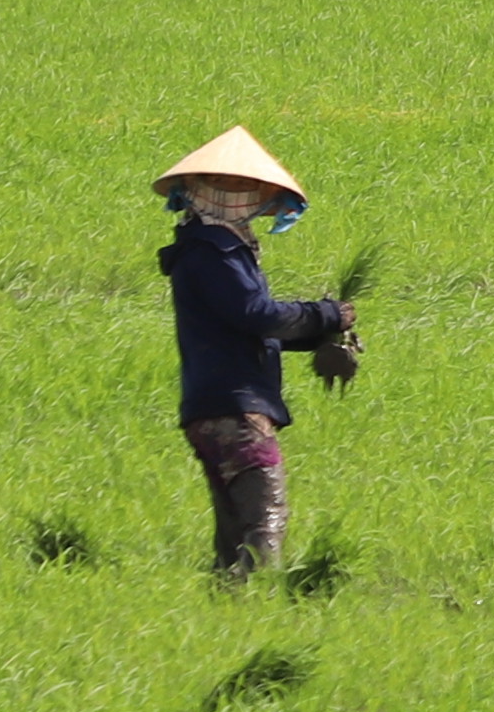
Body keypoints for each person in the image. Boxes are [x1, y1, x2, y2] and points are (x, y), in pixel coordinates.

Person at [153, 125, 360, 575]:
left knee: (233, 531)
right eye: (220, 183)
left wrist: (319, 337)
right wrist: (327, 314)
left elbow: (249, 327)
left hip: (214, 405)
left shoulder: (211, 248)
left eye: (243, 184)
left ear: (261, 194)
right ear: (195, 189)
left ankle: (228, 613)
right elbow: (257, 315)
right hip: (234, 410)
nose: (231, 193)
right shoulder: (215, 251)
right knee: (266, 519)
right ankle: (261, 601)